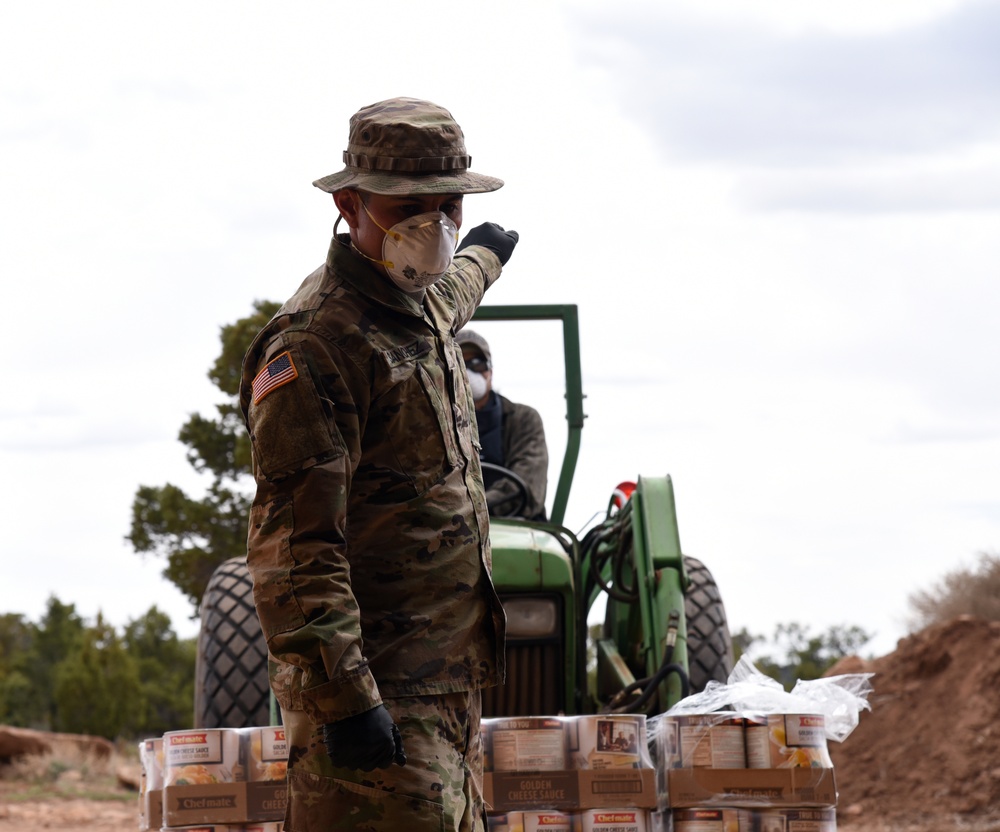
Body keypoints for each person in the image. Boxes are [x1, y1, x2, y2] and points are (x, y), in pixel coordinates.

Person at [239, 97, 519, 832]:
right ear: (349, 203)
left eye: (448, 204)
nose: (433, 226)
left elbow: (450, 296)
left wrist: (485, 254)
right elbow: (293, 549)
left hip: (445, 694)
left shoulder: (414, 303)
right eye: (408, 206)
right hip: (379, 701)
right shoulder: (316, 345)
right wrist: (348, 701)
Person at [456, 329, 548, 520]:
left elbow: (527, 485)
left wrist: (470, 512)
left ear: (490, 370)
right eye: (460, 364)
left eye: (476, 364)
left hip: (514, 526)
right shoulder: (431, 426)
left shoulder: (523, 419)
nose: (469, 373)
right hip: (452, 532)